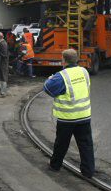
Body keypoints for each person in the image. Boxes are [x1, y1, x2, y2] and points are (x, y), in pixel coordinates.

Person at [44, 49, 94, 178]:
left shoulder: (62, 76)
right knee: (86, 144)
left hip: (67, 118)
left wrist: (50, 79)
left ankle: (55, 166)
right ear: (76, 59)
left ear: (64, 60)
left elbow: (48, 89)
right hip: (84, 116)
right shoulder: (84, 71)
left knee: (61, 143)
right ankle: (88, 171)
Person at [0, 32, 9, 97]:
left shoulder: (3, 43)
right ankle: (1, 91)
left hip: (3, 63)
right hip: (2, 63)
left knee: (3, 77)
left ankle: (3, 92)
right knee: (1, 77)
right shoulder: (1, 43)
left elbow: (4, 55)